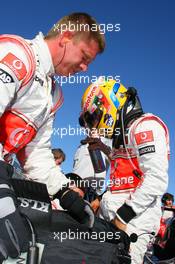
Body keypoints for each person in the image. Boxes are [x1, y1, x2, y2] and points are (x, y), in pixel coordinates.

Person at [0, 13, 105, 261]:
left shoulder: (53, 94)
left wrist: (65, 193)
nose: (84, 68)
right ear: (66, 37)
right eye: (84, 57)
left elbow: (36, 155)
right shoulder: (16, 55)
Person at [73, 77, 170, 264]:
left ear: (111, 102)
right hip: (113, 217)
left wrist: (123, 216)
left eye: (94, 118)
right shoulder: (123, 135)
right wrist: (102, 148)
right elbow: (126, 167)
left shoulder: (145, 126)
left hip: (132, 222)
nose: (95, 125)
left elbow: (156, 178)